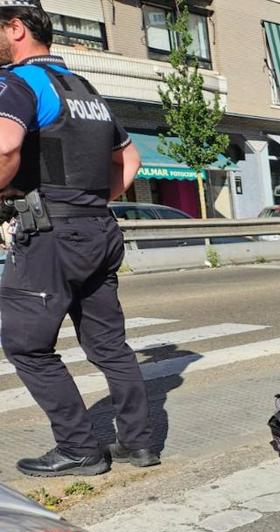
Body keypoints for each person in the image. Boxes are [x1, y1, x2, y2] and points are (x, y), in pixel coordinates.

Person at [0, 0, 158, 477]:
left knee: (26, 345)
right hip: (97, 229)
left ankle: (79, 448)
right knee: (110, 345)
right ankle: (139, 443)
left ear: (16, 28)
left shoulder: (16, 84)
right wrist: (90, 205)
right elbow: (130, 162)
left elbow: (6, 145)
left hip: (51, 235)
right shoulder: (86, 90)